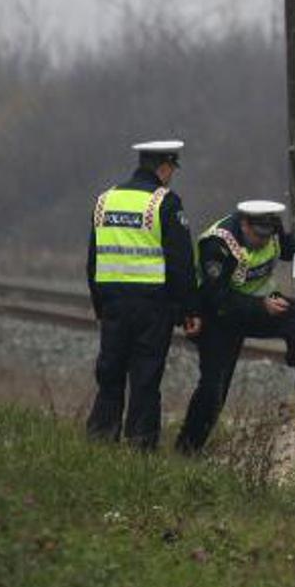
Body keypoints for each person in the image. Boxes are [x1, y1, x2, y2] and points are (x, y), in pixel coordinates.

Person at [175, 200, 295, 452]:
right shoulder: (218, 243)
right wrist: (261, 305)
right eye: (258, 236)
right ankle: (188, 448)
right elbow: (215, 296)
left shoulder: (270, 230)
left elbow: (284, 245)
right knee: (214, 387)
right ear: (244, 224)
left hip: (260, 305)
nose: (263, 241)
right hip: (220, 316)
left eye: (267, 235)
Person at [85, 139, 200, 449]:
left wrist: (100, 306)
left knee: (110, 375)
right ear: (164, 168)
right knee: (145, 378)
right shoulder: (165, 202)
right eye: (172, 169)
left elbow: (93, 260)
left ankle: (100, 441)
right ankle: (140, 447)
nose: (171, 176)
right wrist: (190, 310)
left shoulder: (105, 200)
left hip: (113, 303)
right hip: (152, 307)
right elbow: (180, 262)